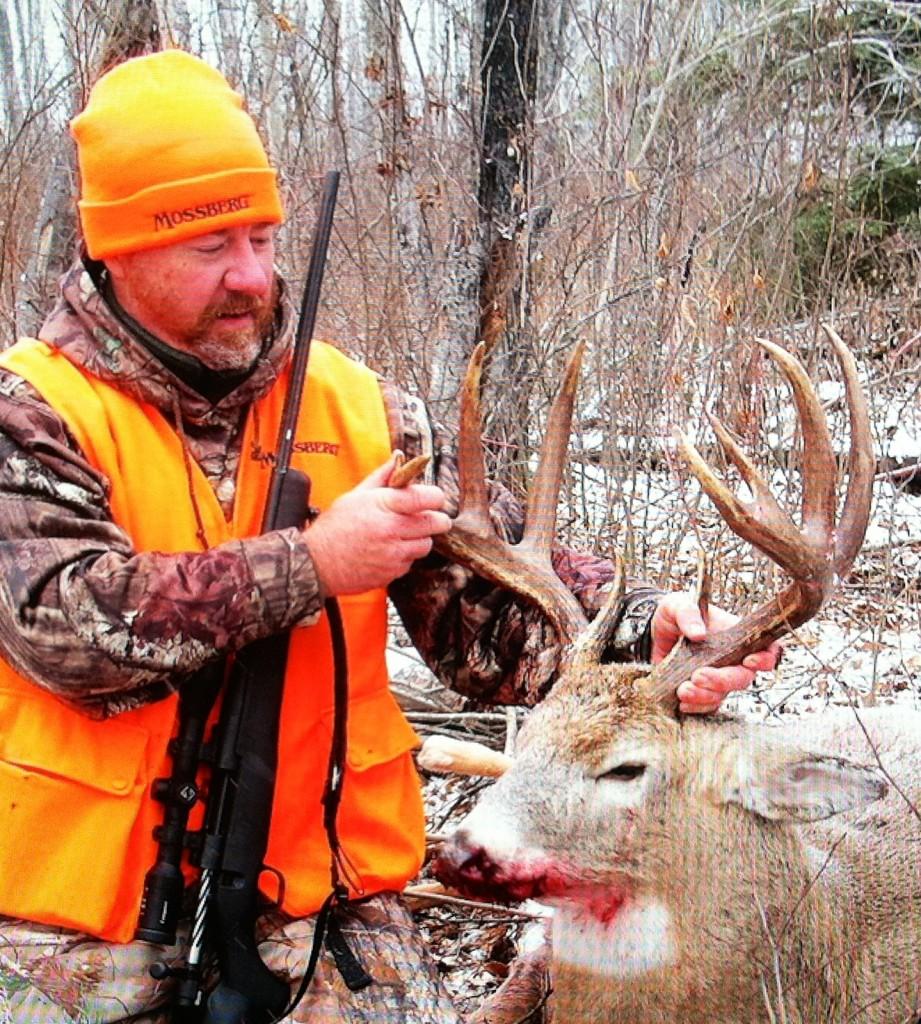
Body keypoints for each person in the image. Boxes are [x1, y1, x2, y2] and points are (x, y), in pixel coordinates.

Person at [0, 50, 778, 1023]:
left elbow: (486, 615)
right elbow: (64, 628)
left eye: (262, 234)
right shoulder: (35, 410)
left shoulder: (361, 408)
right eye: (208, 246)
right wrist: (315, 563)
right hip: (83, 922)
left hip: (329, 895)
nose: (250, 275)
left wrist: (640, 636)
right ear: (111, 248)